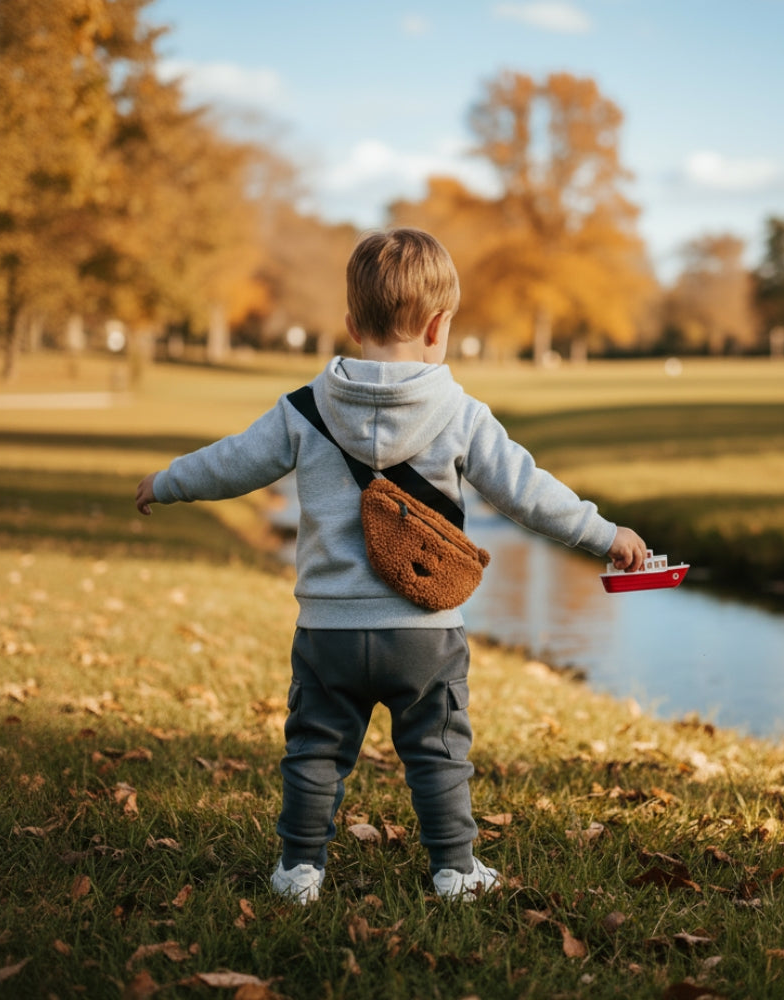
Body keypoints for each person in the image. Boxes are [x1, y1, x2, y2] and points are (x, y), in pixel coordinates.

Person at [135, 228, 647, 904]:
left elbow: (233, 463)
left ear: (350, 323)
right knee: (438, 751)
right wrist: (606, 534)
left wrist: (166, 483)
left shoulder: (303, 411)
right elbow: (528, 495)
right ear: (439, 327)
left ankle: (299, 871)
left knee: (315, 749)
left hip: (328, 632)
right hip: (425, 633)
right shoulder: (462, 416)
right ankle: (455, 872)